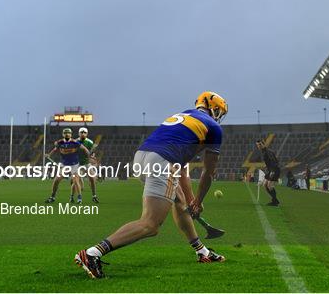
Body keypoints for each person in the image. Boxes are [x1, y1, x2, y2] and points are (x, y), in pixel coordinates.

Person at [74, 91, 228, 278]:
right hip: (163, 161)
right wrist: (199, 200)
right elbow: (208, 172)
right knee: (150, 224)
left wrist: (190, 200)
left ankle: (201, 252)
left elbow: (181, 167)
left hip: (142, 157)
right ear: (215, 109)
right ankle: (92, 253)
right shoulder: (213, 127)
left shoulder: (184, 116)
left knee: (179, 201)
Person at [44, 128, 90, 204]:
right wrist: (49, 154)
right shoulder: (60, 142)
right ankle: (52, 197)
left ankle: (79, 198)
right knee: (56, 180)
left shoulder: (75, 142)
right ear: (63, 134)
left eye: (68, 133)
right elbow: (55, 149)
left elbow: (84, 149)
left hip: (74, 165)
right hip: (64, 165)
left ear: (71, 134)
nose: (67, 134)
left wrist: (88, 155)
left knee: (75, 181)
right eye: (65, 133)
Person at [73, 127, 100, 203]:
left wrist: (92, 156)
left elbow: (92, 153)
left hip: (86, 163)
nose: (83, 134)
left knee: (92, 179)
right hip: (77, 164)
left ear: (87, 134)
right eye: (81, 132)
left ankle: (94, 196)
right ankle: (78, 197)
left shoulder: (90, 142)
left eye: (84, 132)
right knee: (75, 181)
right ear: (79, 133)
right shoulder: (75, 142)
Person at [256, 140, 281, 206]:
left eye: (260, 144)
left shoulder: (267, 152)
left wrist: (272, 171)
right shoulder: (264, 152)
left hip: (274, 170)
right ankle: (275, 200)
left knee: (270, 185)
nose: (259, 146)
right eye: (258, 145)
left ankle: (275, 201)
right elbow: (269, 162)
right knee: (264, 184)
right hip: (271, 170)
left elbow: (274, 161)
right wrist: (266, 167)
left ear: (264, 144)